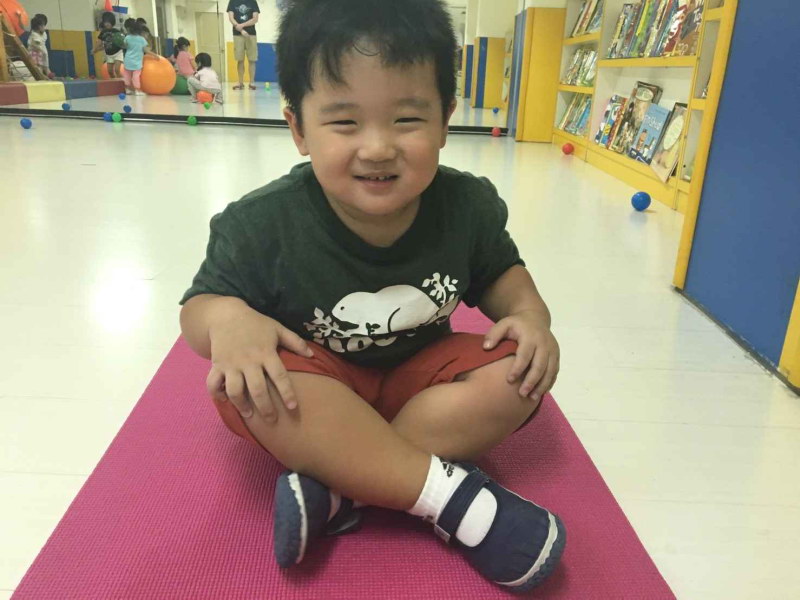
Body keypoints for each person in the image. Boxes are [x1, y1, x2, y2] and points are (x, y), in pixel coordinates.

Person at [179, 0, 565, 593]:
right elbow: (199, 308)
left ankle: (339, 483)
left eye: (407, 119)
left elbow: (501, 274)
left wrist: (531, 315)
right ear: (299, 129)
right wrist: (228, 320)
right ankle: (446, 497)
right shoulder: (260, 224)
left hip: (424, 383)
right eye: (345, 122)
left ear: (445, 119)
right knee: (249, 384)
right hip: (319, 386)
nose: (379, 147)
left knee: (521, 370)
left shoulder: (466, 207)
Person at [226, 0, 259, 90]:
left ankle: (252, 82)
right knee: (240, 59)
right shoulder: (232, 1)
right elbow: (231, 18)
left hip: (251, 34)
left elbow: (255, 19)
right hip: (237, 34)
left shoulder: (253, 2)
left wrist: (242, 25)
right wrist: (240, 29)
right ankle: (240, 82)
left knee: (252, 59)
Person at [121, 21, 157, 95]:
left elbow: (124, 46)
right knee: (136, 76)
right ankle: (137, 90)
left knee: (127, 75)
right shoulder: (141, 39)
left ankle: (127, 89)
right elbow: (145, 50)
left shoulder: (127, 37)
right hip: (137, 61)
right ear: (139, 30)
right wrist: (154, 55)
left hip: (128, 59)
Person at [92, 12, 124, 79]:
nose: (107, 24)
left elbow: (122, 41)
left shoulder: (116, 31)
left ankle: (123, 81)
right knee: (110, 71)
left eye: (108, 22)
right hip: (109, 54)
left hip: (118, 53)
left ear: (112, 22)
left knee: (117, 70)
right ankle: (114, 82)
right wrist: (95, 49)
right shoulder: (103, 32)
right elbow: (99, 42)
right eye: (105, 22)